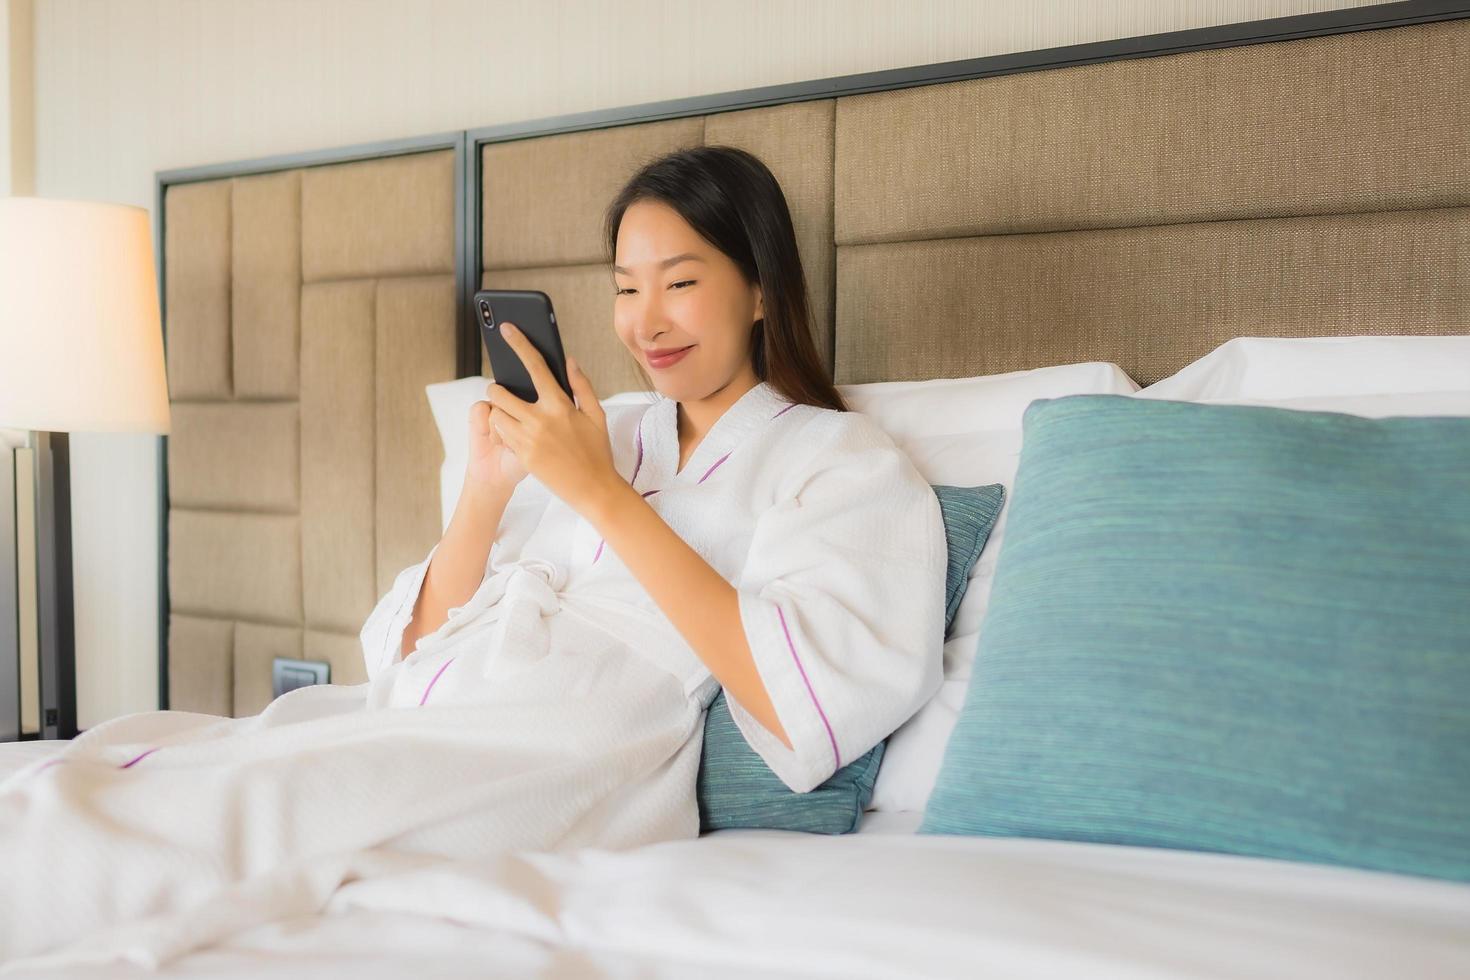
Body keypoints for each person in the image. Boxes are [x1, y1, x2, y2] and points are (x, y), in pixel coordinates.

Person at [0, 145, 947, 966]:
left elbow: (805, 696)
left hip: (558, 746)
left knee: (228, 820)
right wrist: (486, 491)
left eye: (681, 281)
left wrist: (599, 496)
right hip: (426, 713)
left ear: (761, 290)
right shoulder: (606, 428)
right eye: (624, 288)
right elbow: (406, 655)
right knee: (129, 779)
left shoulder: (836, 460)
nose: (644, 321)